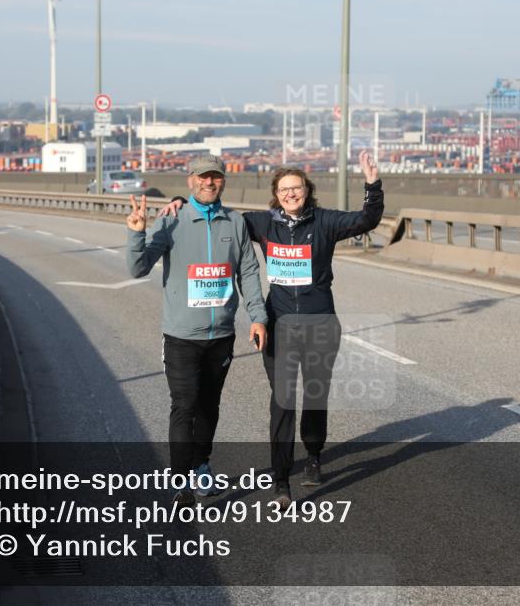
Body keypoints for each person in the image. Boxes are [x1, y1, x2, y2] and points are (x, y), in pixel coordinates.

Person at [160, 150, 384, 508]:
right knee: (282, 401)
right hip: (279, 323)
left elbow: (367, 220)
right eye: (284, 189)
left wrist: (372, 184)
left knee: (314, 395)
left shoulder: (325, 222)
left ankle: (313, 454)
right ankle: (281, 481)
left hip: (320, 323)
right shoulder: (261, 224)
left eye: (296, 188)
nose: (291, 194)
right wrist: (179, 203)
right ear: (275, 195)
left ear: (307, 191)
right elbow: (215, 213)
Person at [126, 155, 268, 508]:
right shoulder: (171, 219)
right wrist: (136, 232)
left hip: (220, 335)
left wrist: (258, 316)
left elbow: (248, 272)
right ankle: (179, 482)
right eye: (203, 177)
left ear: (223, 182)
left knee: (209, 405)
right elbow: (137, 268)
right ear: (190, 181)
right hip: (180, 336)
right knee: (184, 406)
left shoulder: (234, 222)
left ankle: (201, 465)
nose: (209, 183)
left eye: (216, 178)